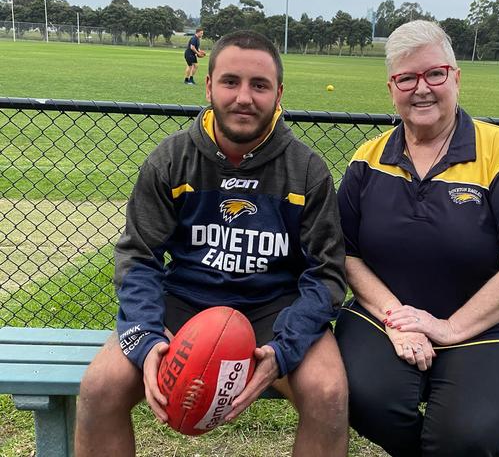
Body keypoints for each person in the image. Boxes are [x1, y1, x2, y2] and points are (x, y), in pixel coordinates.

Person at [76, 30, 349, 457]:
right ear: (208, 86)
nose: (244, 97)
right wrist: (146, 336)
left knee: (328, 393)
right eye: (230, 82)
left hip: (273, 308)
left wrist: (285, 347)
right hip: (184, 303)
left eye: (259, 85)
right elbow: (138, 257)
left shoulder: (307, 170)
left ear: (278, 93)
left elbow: (327, 275)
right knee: (100, 387)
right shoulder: (172, 158)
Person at [334, 20, 499, 457]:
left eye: (434, 74)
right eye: (407, 78)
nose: (421, 88)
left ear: (456, 77)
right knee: (368, 401)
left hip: (491, 328)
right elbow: (343, 252)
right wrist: (396, 318)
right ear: (391, 87)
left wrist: (448, 328)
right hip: (387, 323)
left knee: (465, 438)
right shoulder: (367, 159)